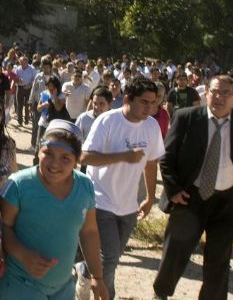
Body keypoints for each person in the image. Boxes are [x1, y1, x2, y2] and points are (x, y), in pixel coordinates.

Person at [153, 75, 233, 300]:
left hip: (227, 203)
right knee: (175, 253)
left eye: (225, 93)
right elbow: (166, 156)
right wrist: (173, 189)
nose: (219, 97)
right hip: (189, 198)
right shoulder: (187, 117)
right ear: (206, 94)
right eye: (214, 92)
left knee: (219, 260)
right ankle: (161, 294)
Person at [0, 120, 108, 300]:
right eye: (48, 153)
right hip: (20, 284)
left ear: (77, 160)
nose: (55, 164)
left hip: (63, 288)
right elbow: (2, 228)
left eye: (65, 158)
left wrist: (97, 276)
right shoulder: (18, 185)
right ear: (38, 151)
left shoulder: (85, 186)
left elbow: (89, 232)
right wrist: (23, 255)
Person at [78, 78, 165, 300]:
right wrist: (123, 156)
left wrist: (150, 197)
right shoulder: (107, 121)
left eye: (153, 103)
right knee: (109, 258)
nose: (149, 108)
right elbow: (85, 157)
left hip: (128, 205)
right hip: (100, 200)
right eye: (144, 102)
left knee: (112, 256)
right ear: (127, 99)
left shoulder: (151, 126)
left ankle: (85, 271)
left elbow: (151, 163)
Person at [32, 76, 67, 152]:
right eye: (48, 86)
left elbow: (58, 108)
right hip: (43, 124)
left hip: (55, 126)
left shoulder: (61, 95)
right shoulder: (44, 93)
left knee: (51, 148)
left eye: (51, 86)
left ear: (56, 86)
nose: (49, 88)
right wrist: (44, 105)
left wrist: (54, 96)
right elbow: (38, 108)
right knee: (39, 146)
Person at [14, 56, 37, 126]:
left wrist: (30, 85)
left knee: (27, 105)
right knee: (19, 104)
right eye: (21, 62)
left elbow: (35, 79)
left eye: (24, 62)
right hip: (20, 87)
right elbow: (15, 79)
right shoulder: (17, 69)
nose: (22, 64)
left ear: (27, 62)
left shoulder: (32, 69)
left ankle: (26, 119)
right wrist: (17, 80)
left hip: (29, 88)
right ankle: (19, 120)